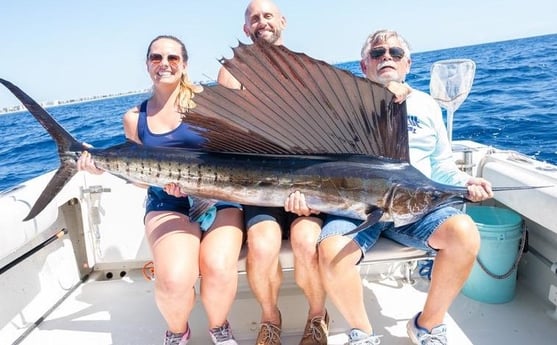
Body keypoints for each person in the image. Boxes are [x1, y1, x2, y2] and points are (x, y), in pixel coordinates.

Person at [316, 29, 494, 345]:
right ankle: (362, 333)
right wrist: (380, 100)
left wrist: (467, 182)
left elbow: (442, 165)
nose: (387, 57)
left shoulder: (425, 105)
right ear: (364, 65)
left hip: (415, 209)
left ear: (407, 64)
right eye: (378, 53)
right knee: (331, 251)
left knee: (464, 232)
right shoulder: (345, 108)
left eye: (395, 53)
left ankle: (427, 325)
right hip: (357, 210)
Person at [77, 35, 244, 345]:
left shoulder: (208, 103)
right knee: (172, 281)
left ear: (184, 64)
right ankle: (177, 333)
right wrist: (101, 165)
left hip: (220, 198)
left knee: (218, 269)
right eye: (156, 58)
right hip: (167, 202)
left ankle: (220, 329)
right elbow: (141, 179)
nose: (164, 64)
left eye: (172, 58)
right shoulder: (134, 118)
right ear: (147, 64)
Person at [217, 1, 330, 345]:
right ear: (245, 29)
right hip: (260, 185)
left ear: (282, 21)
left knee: (306, 242)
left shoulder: (307, 67)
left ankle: (317, 315)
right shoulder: (233, 71)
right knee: (263, 247)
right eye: (254, 18)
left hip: (310, 185)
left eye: (268, 15)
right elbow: (227, 130)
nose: (261, 22)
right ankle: (270, 318)